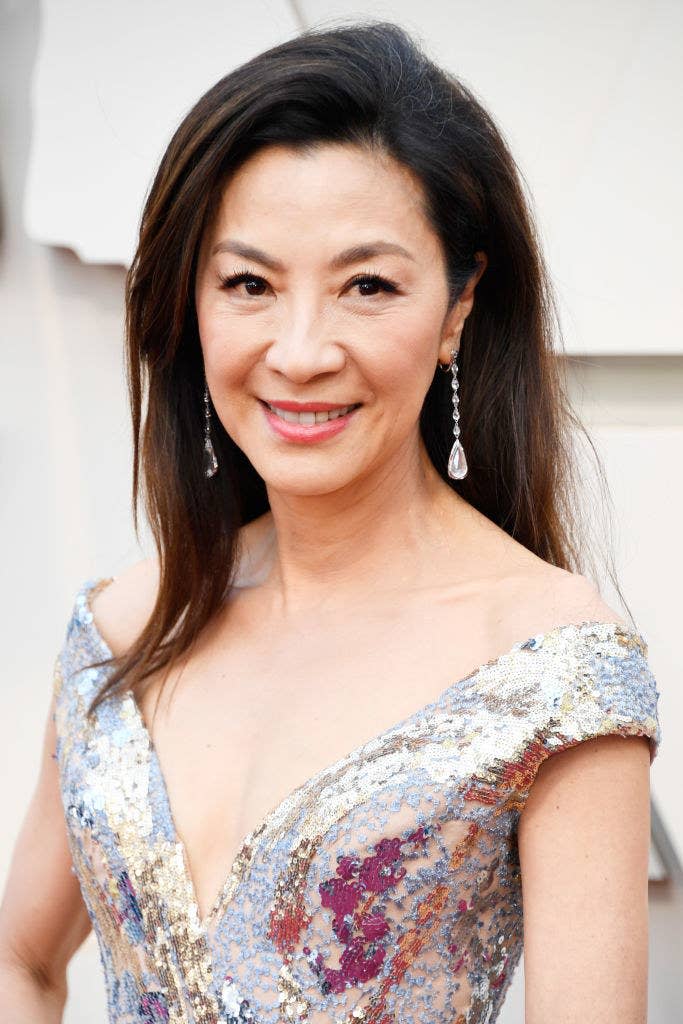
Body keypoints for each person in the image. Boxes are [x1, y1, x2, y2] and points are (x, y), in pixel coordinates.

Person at [0, 19, 661, 1024]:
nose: (300, 350)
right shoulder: (119, 627)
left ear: (455, 307)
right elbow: (20, 956)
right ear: (192, 304)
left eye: (366, 286)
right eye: (249, 284)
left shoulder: (549, 666)